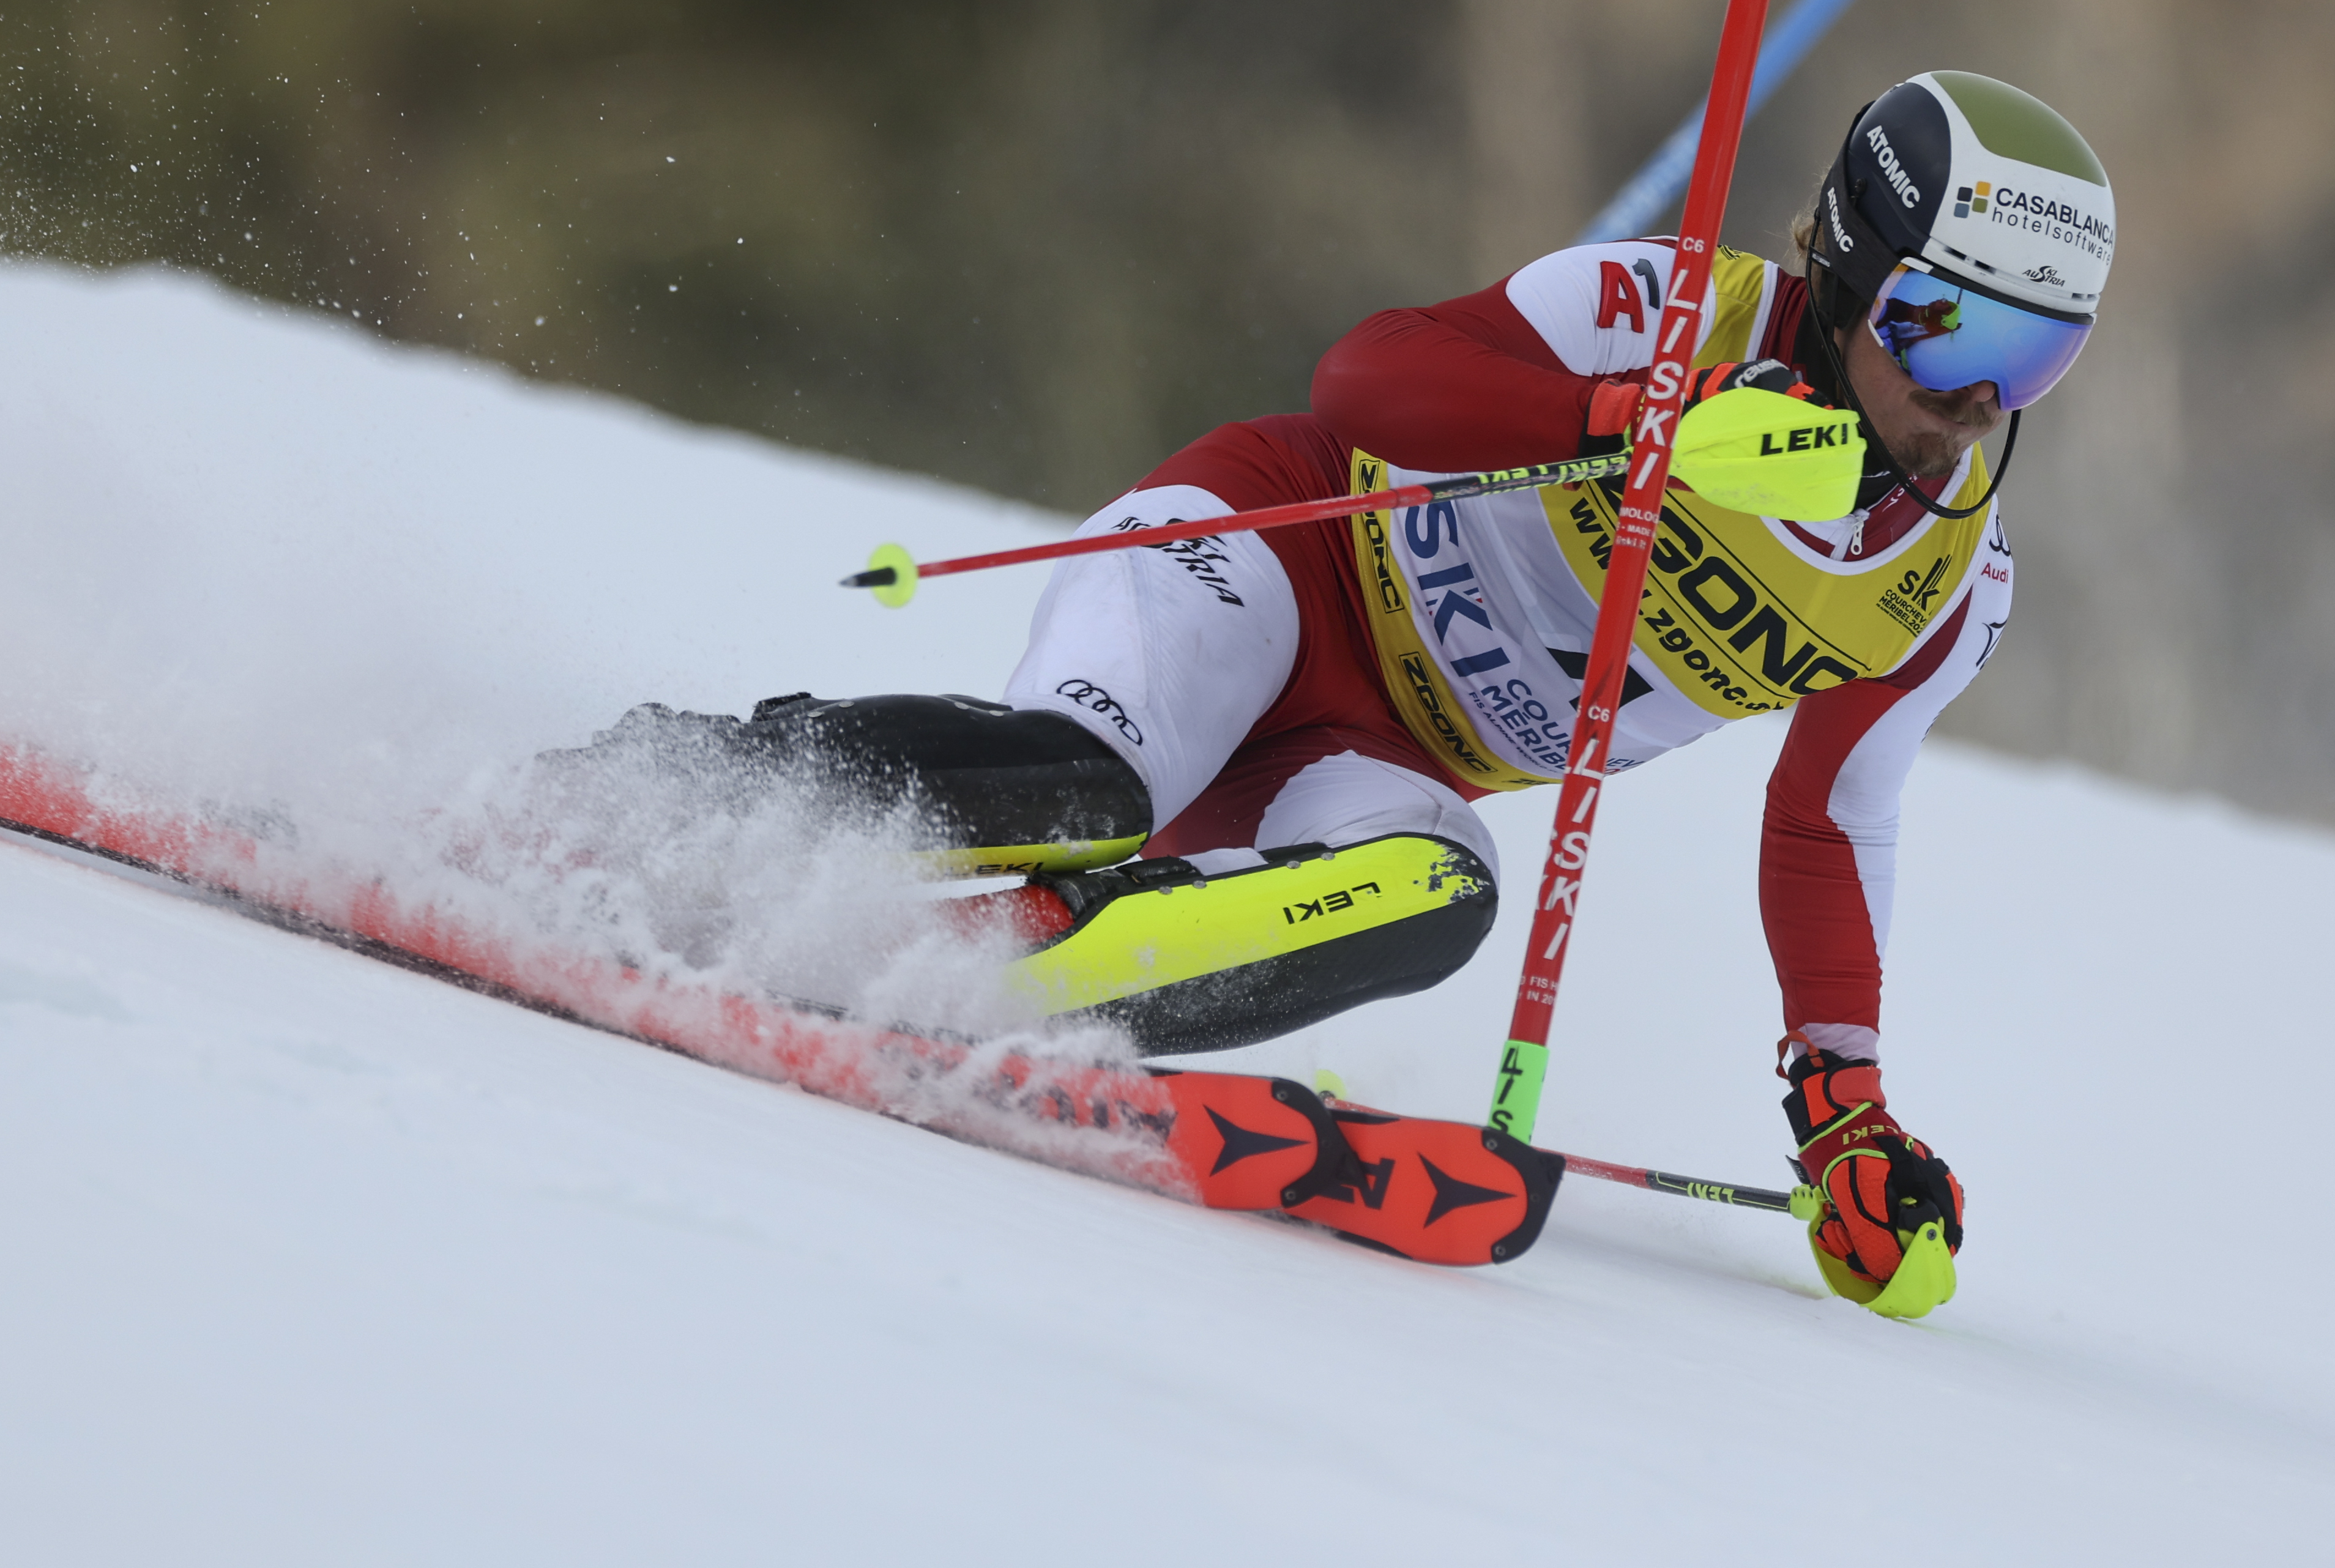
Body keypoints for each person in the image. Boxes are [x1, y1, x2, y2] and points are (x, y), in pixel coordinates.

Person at [574, 70, 2113, 1303]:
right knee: (1084, 784)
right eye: (1948, 329)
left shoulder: (1944, 587)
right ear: (1844, 275)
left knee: (1438, 890)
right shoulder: (1669, 312)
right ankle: (645, 803)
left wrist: (1842, 1107)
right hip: (1273, 560)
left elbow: (1827, 822)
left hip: (1376, 750)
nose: (1973, 405)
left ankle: (978, 972)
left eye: (2034, 361)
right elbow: (1366, 375)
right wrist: (1632, 420)